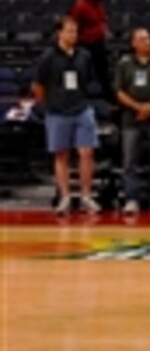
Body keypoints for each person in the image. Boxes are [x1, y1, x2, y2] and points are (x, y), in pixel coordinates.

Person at [32, 16, 101, 215]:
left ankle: (86, 195)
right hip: (57, 112)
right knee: (61, 155)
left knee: (86, 152)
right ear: (59, 33)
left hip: (81, 108)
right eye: (69, 31)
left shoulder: (84, 56)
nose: (73, 35)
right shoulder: (48, 57)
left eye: (75, 31)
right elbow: (38, 85)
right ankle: (65, 197)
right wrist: (48, 105)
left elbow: (88, 80)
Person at [114, 28, 150, 215]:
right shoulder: (125, 63)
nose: (147, 42)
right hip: (131, 118)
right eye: (142, 39)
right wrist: (138, 107)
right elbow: (119, 91)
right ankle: (131, 199)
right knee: (130, 161)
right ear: (134, 44)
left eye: (148, 38)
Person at [69, 0, 110, 97]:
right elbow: (75, 25)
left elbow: (102, 20)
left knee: (103, 72)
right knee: (83, 72)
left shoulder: (99, 5)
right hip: (85, 44)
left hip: (99, 43)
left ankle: (107, 96)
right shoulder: (80, 6)